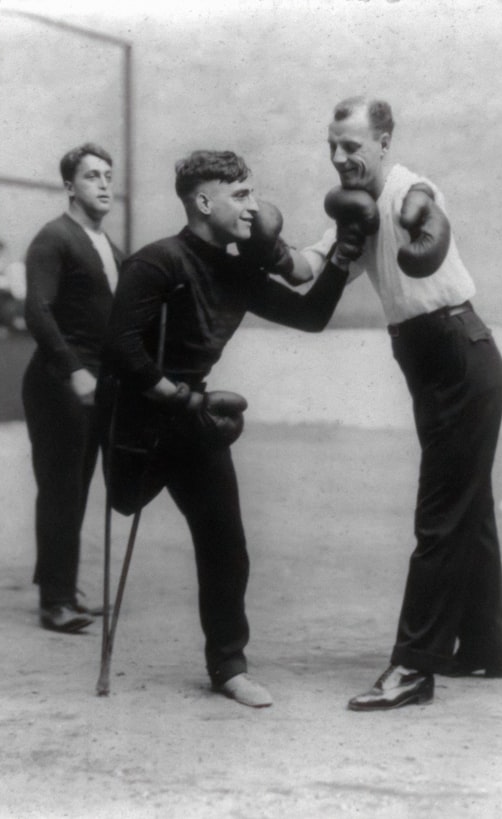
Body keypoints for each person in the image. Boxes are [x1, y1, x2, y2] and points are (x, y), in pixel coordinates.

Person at [99, 149, 355, 708]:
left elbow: (310, 317)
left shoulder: (238, 270)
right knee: (124, 502)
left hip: (193, 421)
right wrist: (181, 397)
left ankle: (228, 668)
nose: (252, 207)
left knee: (226, 546)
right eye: (240, 195)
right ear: (203, 200)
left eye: (251, 194)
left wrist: (341, 259)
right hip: (143, 416)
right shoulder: (156, 263)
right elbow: (120, 348)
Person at [298, 96, 502, 711]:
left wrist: (424, 229)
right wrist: (260, 250)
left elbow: (428, 221)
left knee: (440, 514)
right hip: (431, 360)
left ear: (384, 143)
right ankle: (483, 649)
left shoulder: (410, 189)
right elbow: (307, 265)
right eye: (332, 146)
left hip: (458, 353)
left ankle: (414, 668)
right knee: (467, 506)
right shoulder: (356, 212)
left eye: (353, 146)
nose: (340, 158)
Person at [22, 142, 123, 633]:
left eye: (108, 175)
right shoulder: (53, 238)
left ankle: (64, 588)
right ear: (69, 187)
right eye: (91, 176)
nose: (104, 184)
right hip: (59, 381)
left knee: (79, 487)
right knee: (62, 489)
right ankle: (55, 601)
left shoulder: (108, 244)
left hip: (97, 382)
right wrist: (74, 370)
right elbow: (37, 311)